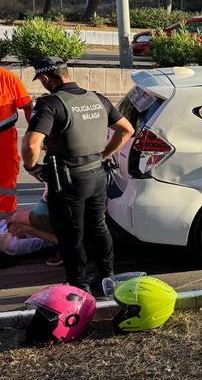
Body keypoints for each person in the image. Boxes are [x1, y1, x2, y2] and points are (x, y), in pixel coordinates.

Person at [21, 56, 134, 294]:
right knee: (98, 227)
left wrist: (32, 168)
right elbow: (126, 130)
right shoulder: (97, 98)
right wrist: (104, 155)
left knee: (71, 235)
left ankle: (79, 286)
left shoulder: (50, 103)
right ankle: (106, 280)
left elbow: (31, 145)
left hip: (67, 181)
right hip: (97, 175)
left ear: (44, 78)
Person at [0, 66, 33, 220]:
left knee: (6, 182)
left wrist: (34, 133)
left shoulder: (8, 79)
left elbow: (27, 106)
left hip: (5, 139)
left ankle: (5, 222)